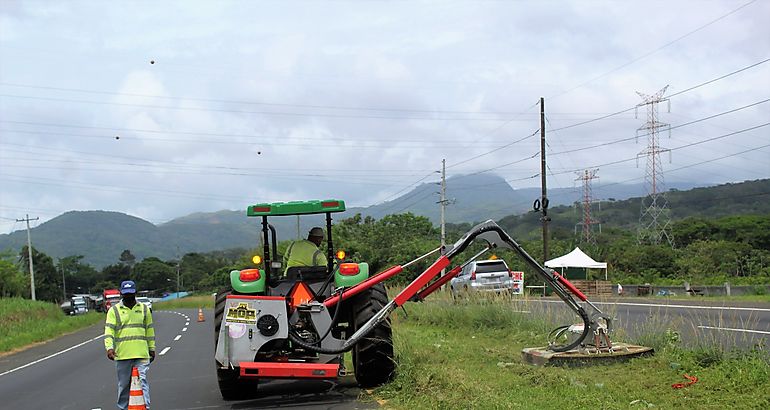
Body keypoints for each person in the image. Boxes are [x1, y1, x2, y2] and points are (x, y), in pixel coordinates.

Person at [105, 280, 155, 410]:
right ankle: (123, 408)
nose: (128, 296)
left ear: (135, 293)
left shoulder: (144, 309)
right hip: (122, 355)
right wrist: (109, 348)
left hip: (141, 353)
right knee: (124, 386)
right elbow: (109, 331)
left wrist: (152, 348)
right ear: (121, 294)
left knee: (142, 381)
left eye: (131, 294)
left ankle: (145, 407)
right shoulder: (114, 311)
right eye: (126, 294)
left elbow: (149, 330)